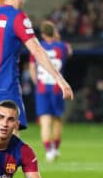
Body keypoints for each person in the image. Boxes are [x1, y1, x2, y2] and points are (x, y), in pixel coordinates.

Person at [0, 0, 74, 132]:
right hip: (5, 85)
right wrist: (60, 79)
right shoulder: (17, 17)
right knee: (11, 135)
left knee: (0, 136)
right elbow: (37, 50)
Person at [28, 20, 72, 162]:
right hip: (57, 87)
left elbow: (32, 68)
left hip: (42, 88)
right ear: (54, 32)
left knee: (45, 121)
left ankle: (49, 151)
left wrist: (37, 83)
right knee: (57, 119)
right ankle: (56, 148)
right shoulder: (63, 47)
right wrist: (57, 37)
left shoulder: (37, 46)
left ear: (42, 34)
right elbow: (69, 52)